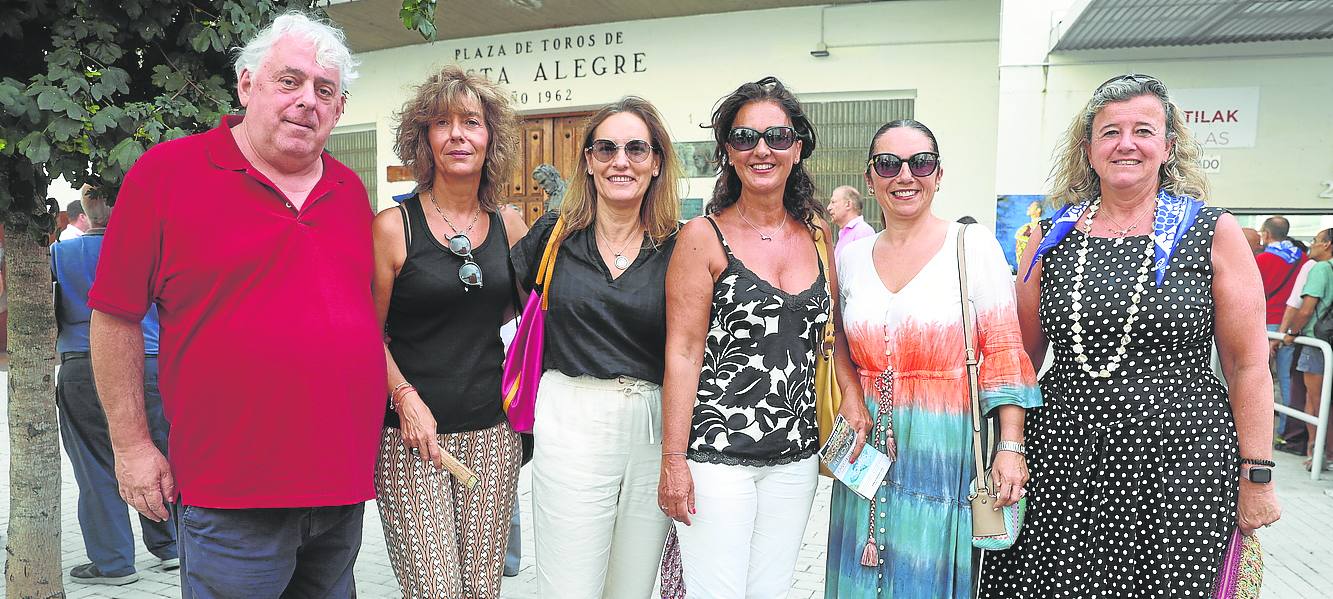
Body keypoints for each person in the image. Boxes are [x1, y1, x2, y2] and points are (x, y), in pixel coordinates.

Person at [89, 12, 384, 597]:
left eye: (325, 90)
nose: (307, 101)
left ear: (340, 108)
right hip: (231, 497)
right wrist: (131, 447)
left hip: (340, 490)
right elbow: (115, 316)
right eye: (290, 81)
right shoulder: (167, 175)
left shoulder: (349, 192)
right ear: (247, 84)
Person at [980, 74, 1281, 597]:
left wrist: (1257, 476)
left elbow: (1248, 364)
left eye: (1144, 130)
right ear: (1088, 149)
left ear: (1168, 146)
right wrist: (1009, 447)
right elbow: (1020, 358)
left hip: (1180, 463)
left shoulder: (1213, 231)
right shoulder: (1050, 239)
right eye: (1110, 132)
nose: (1126, 144)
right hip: (1063, 461)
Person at [658, 77, 865, 598]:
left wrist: (854, 397)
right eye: (745, 138)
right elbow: (681, 353)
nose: (762, 149)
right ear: (728, 152)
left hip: (794, 457)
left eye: (777, 135)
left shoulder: (818, 232)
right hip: (716, 453)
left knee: (771, 590)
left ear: (797, 148)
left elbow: (832, 331)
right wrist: (674, 461)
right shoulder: (703, 236)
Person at [825, 120, 1040, 598]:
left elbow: (1003, 349)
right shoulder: (851, 257)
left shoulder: (971, 245)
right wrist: (851, 395)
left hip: (942, 444)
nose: (905, 175)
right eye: (888, 164)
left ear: (938, 174)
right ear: (870, 178)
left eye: (919, 163)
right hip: (865, 441)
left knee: (925, 572)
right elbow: (836, 337)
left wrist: (1011, 445)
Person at [511, 97, 682, 598]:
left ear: (655, 163)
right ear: (587, 161)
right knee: (570, 585)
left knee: (631, 587)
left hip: (651, 423)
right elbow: (508, 309)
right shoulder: (554, 236)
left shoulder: (680, 245)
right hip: (571, 414)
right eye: (605, 148)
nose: (620, 161)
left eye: (635, 149)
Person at [372, 65, 528, 596]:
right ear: (424, 140)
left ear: (491, 138)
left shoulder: (510, 225)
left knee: (481, 590)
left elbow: (528, 325)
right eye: (442, 123)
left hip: (492, 438)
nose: (458, 134)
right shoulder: (394, 228)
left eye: (472, 122)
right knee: (435, 590)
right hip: (411, 442)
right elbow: (365, 334)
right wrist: (403, 395)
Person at [55, 188, 177, 585]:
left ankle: (113, 562)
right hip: (151, 362)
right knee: (156, 453)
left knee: (96, 465)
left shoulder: (62, 254)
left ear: (86, 213)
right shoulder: (155, 247)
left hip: (82, 363)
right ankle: (169, 546)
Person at [1276, 228, 1333, 469]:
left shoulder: (1322, 269)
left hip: (1317, 343)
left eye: (1317, 241)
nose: (1313, 245)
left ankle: (1315, 454)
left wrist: (1290, 334)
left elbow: (1307, 308)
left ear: (1328, 244)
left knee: (1315, 399)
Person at [1257, 216, 1306, 434]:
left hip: (1266, 325)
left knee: (1257, 376)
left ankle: (1260, 428)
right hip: (1291, 327)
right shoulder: (1302, 259)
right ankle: (1286, 431)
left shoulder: (1262, 260)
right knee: (1286, 379)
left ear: (1267, 234)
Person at [827, 185, 874, 256]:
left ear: (848, 204)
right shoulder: (843, 232)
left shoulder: (863, 232)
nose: (829, 208)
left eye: (833, 202)